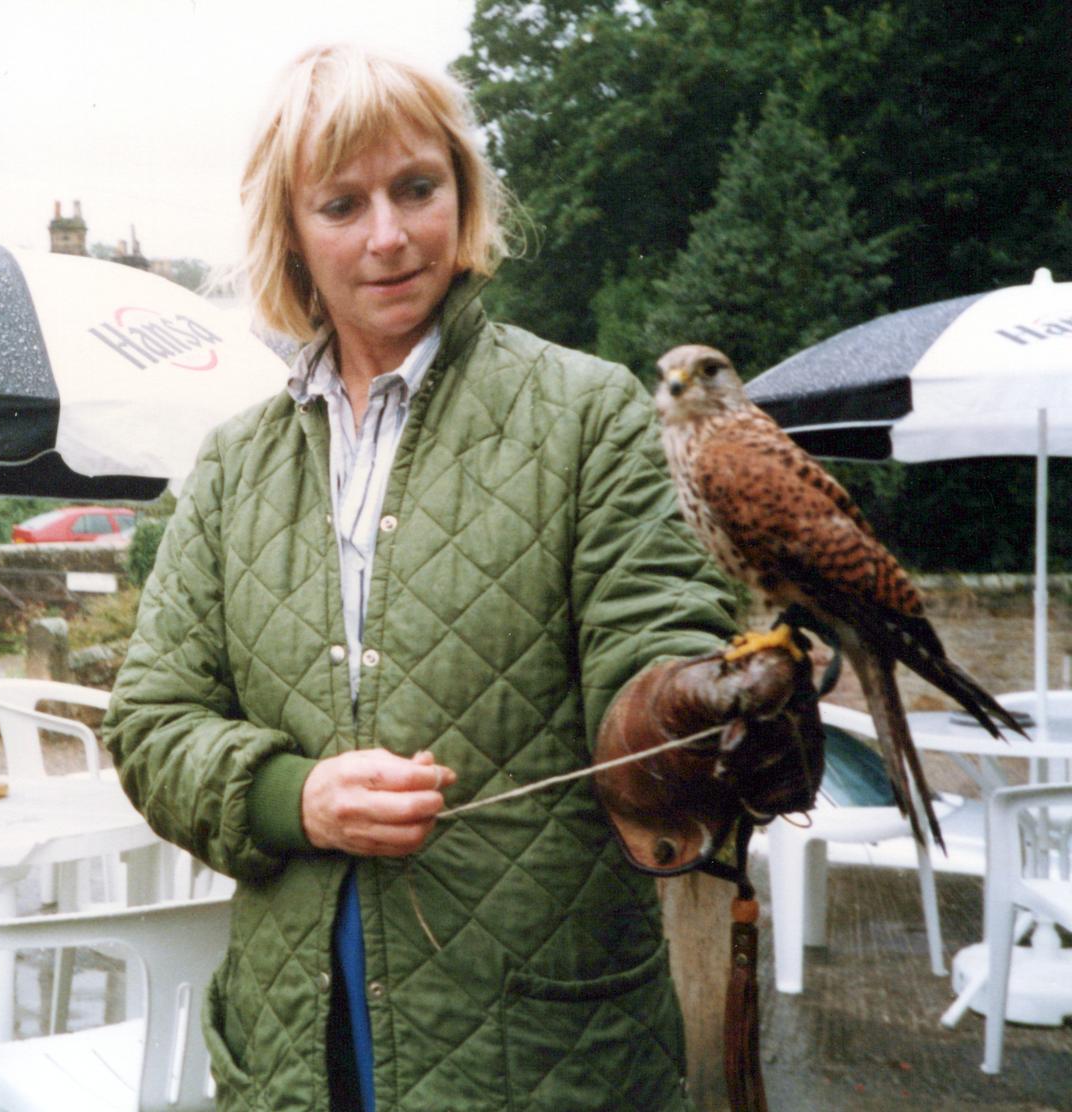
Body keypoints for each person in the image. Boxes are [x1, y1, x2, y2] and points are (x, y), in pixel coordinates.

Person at [105, 43, 811, 1112]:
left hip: (541, 1044)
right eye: (342, 203)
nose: (389, 234)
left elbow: (654, 636)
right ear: (291, 233)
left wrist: (689, 709)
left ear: (463, 193)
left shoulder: (586, 413)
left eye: (418, 188)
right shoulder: (234, 464)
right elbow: (152, 719)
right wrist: (295, 795)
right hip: (293, 1036)